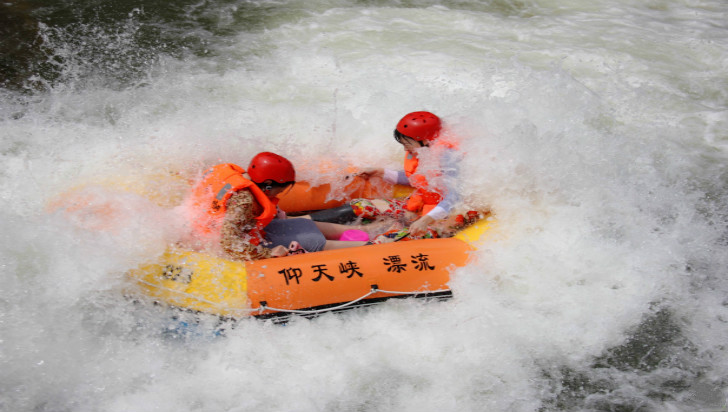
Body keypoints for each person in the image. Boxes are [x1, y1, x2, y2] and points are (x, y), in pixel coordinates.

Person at [186, 152, 369, 261]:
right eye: (279, 190)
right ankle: (371, 247)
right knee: (313, 241)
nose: (278, 195)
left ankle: (368, 236)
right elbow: (228, 243)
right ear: (267, 185)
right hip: (217, 245)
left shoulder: (238, 178)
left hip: (223, 231)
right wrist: (267, 253)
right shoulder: (243, 202)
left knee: (304, 226)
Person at [345, 111, 462, 239]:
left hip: (446, 216)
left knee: (394, 238)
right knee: (360, 205)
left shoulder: (448, 157)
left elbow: (456, 197)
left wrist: (425, 220)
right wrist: (380, 172)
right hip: (423, 205)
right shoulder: (425, 151)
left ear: (424, 140)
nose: (405, 150)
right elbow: (418, 179)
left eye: (407, 144)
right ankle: (368, 229)